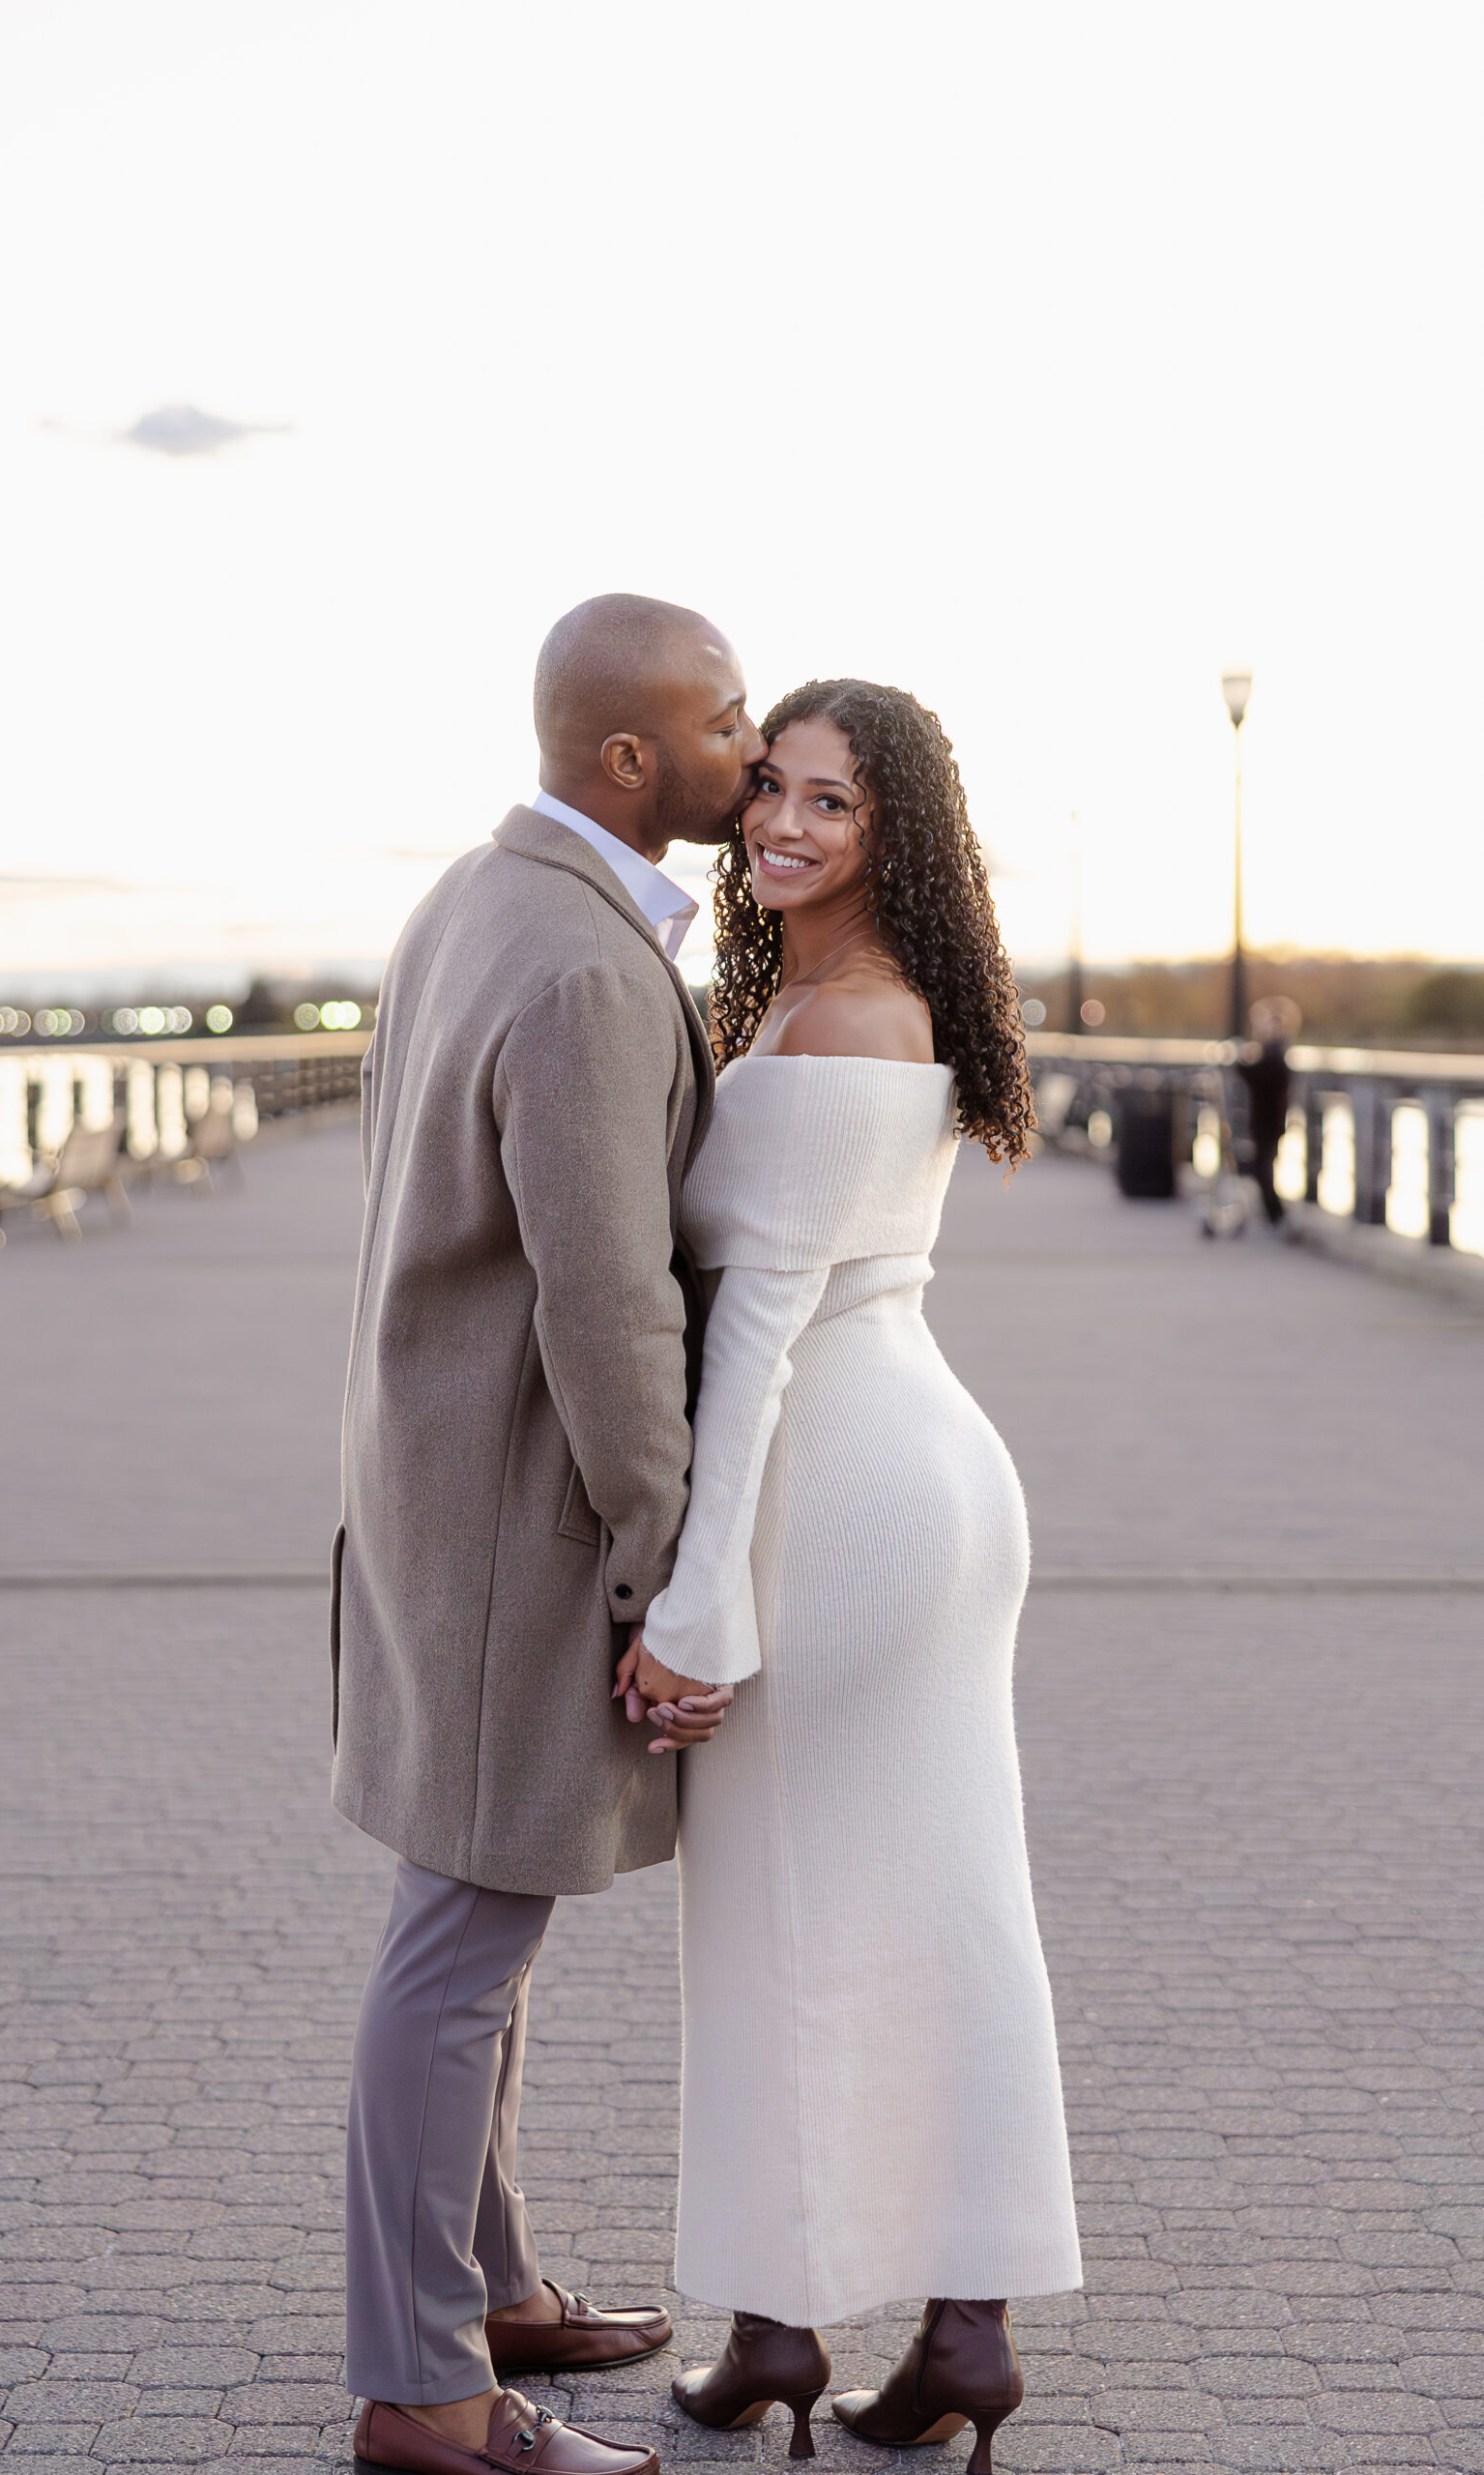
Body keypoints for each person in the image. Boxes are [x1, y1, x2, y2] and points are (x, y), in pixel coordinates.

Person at [621, 680, 1083, 2475]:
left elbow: (755, 1331)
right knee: (944, 1904)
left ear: (895, 832)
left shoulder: (835, 1029)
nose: (785, 825)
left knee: (777, 1920)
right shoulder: (839, 1002)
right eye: (770, 793)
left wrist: (697, 1602)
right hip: (925, 1475)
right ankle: (960, 2331)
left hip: (839, 1486)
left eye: (834, 802)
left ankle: (777, 2326)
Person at [332, 594, 766, 2475]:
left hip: (427, 1496)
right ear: (627, 757)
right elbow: (607, 1308)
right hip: (511, 1519)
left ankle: (486, 2283)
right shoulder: (585, 968)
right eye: (726, 719)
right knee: (459, 1947)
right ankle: (425, 2385)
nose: (747, 751)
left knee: (472, 1925)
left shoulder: (471, 899)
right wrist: (673, 1562)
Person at [1237, 998, 1297, 1227]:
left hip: (1268, 1120)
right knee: (1263, 1165)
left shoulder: (1274, 1053)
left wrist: (1241, 1062)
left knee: (1263, 1166)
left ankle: (1276, 1215)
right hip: (1268, 1119)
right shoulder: (1275, 1051)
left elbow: (1256, 1077)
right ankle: (1274, 1214)